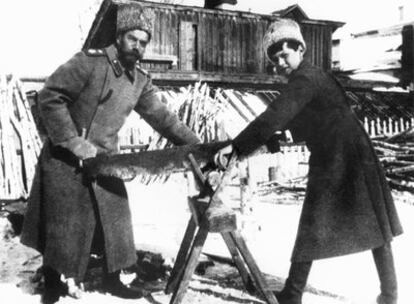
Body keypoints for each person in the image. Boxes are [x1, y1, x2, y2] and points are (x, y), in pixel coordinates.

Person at [20, 3, 199, 303]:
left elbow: (163, 118)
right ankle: (52, 282)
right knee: (63, 225)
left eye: (144, 43)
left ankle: (112, 279)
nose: (138, 47)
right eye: (133, 40)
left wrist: (197, 146)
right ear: (119, 37)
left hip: (105, 160)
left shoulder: (139, 81)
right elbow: (50, 96)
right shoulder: (89, 63)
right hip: (66, 158)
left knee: (115, 220)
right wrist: (73, 141)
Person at [218, 19, 402, 304]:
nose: (280, 62)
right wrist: (270, 142)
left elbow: (276, 115)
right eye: (274, 58)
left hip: (343, 157)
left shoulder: (305, 78)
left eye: (285, 55)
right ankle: (387, 296)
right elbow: (301, 123)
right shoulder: (312, 77)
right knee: (364, 225)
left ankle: (295, 295)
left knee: (340, 224)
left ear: (300, 50)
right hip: (346, 153)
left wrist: (238, 146)